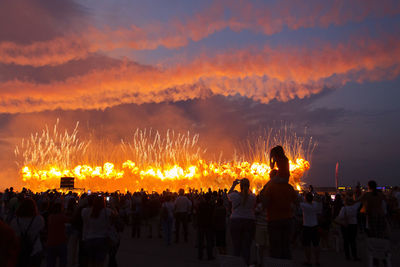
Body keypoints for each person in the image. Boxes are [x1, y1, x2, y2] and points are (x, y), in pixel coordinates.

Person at [261, 170, 297, 259]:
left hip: (274, 219)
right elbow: (296, 202)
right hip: (288, 219)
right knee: (286, 245)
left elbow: (264, 201)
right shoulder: (289, 187)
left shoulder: (270, 187)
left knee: (275, 246)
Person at [228, 178, 256, 265]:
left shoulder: (234, 196)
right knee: (247, 247)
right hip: (249, 222)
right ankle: (245, 264)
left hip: (236, 221)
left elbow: (228, 195)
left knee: (236, 246)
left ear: (240, 186)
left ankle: (236, 264)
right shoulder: (253, 197)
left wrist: (233, 185)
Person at [10, 198, 45, 267]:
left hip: (20, 250)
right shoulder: (39, 219)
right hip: (35, 249)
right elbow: (41, 229)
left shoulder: (14, 221)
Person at [81, 195, 114, 267]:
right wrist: (112, 205)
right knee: (100, 263)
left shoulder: (85, 211)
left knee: (90, 262)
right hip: (102, 239)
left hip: (89, 239)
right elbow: (115, 219)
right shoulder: (107, 212)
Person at [336, 196, 361, 261]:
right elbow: (359, 201)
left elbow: (340, 217)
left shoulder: (344, 208)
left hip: (345, 225)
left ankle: (347, 256)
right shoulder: (355, 207)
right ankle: (354, 256)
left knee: (346, 241)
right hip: (354, 225)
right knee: (353, 241)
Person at [300, 192, 321, 266]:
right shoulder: (315, 204)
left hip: (307, 227)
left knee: (307, 245)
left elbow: (297, 200)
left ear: (305, 198)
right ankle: (317, 261)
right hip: (315, 226)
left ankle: (308, 261)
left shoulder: (303, 205)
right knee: (316, 244)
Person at [46, 202, 69, 267]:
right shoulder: (62, 217)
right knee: (63, 262)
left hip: (50, 242)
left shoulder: (50, 217)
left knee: (50, 262)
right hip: (61, 241)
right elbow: (70, 220)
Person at [196, 193, 215, 260]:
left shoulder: (200, 205)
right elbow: (213, 216)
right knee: (209, 241)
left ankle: (200, 256)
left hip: (201, 225)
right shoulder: (211, 206)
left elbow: (197, 214)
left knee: (200, 241)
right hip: (209, 225)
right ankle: (209, 256)